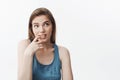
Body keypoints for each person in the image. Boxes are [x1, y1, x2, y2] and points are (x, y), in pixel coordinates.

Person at [17, 7, 73, 80]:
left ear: (52, 26)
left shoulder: (62, 52)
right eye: (36, 26)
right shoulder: (24, 45)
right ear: (31, 29)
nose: (41, 30)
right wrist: (29, 53)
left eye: (46, 24)